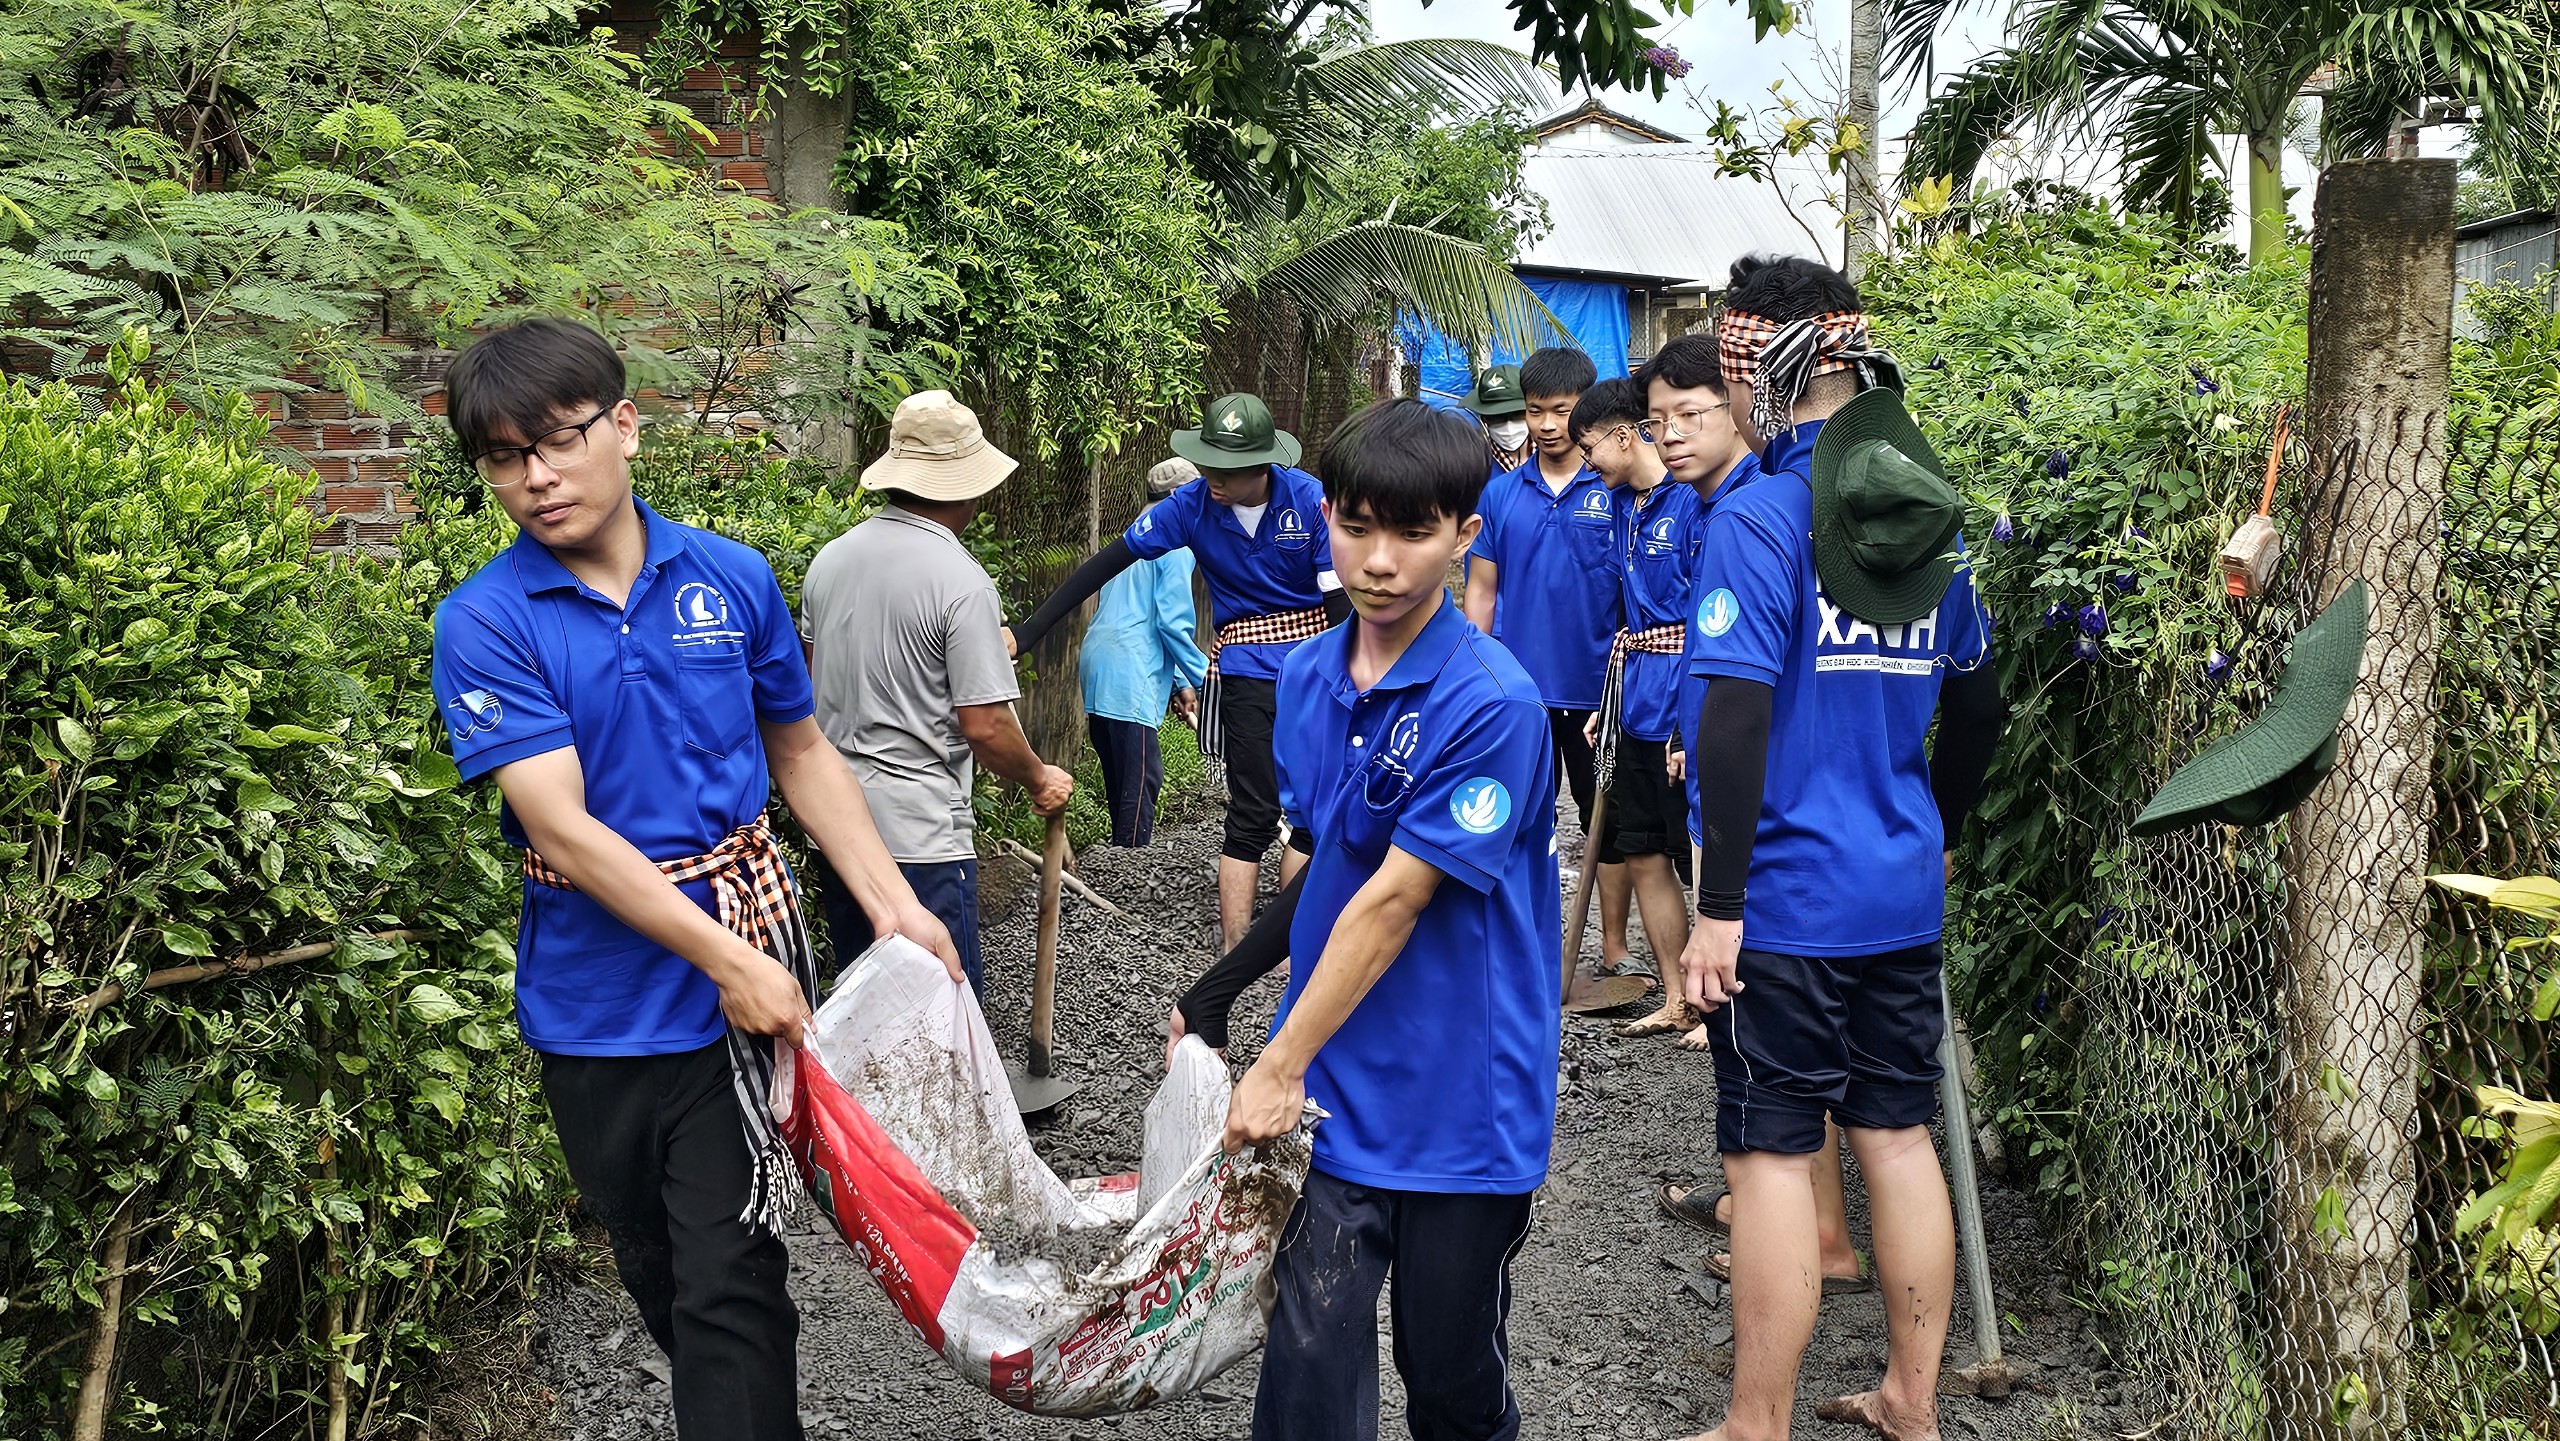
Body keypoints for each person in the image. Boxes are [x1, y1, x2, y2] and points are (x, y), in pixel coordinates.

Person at [428, 318, 963, 1441]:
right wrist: (727, 959)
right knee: (660, 1268)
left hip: (735, 982)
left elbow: (802, 750)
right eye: (501, 459)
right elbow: (562, 831)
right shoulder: (485, 622)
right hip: (594, 1006)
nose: (534, 478)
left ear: (623, 426)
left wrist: (893, 904)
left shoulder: (730, 576)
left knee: (731, 1276)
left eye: (556, 442)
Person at [1170, 396, 1561, 1441]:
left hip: (1462, 1108)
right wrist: (1212, 995)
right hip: (1340, 1095)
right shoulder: (1305, 677)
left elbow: (1395, 899)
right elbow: (1327, 871)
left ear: (1464, 535)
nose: (1378, 559)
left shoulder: (1495, 707)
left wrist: (1277, 1058)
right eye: (1355, 524)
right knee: (1306, 1357)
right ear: (1324, 516)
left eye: (1412, 530)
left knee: (1447, 1378)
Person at [1675, 255, 2006, 1441]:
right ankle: (1911, 1403)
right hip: (1898, 887)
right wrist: (1942, 835)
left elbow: (1733, 712)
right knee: (1895, 1131)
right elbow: (1978, 707)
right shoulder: (1926, 515)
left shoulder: (1760, 518)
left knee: (1768, 1152)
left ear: (1760, 365)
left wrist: (1717, 907)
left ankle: (1752, 1423)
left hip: (1783, 902)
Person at [1639, 329, 1873, 1291]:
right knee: (1869, 1107)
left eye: (1692, 413)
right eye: (1659, 422)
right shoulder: (1742, 502)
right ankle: (1793, 1219)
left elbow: (1748, 698)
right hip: (1856, 837)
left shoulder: (1761, 508)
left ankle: (1808, 1234)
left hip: (1783, 836)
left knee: (1775, 1070)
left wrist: (1719, 906)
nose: (1675, 435)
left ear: (1747, 398)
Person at [1006, 393, 1350, 949]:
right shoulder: (1189, 505)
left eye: (1230, 469)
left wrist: (1356, 681)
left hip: (1316, 667)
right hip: (1245, 670)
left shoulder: (1309, 501)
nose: (1215, 477)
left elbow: (1338, 601)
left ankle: (1297, 947)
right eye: (1210, 462)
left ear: (1263, 464)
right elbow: (1103, 565)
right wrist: (1027, 634)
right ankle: (1238, 947)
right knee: (1254, 812)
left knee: (1314, 812)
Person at [802, 390, 1074, 996]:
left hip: (839, 826)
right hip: (920, 835)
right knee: (939, 1012)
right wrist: (1038, 779)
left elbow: (812, 680)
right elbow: (985, 726)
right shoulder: (962, 581)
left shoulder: (830, 561)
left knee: (862, 1005)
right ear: (966, 487)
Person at [1459, 346, 1638, 977]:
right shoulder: (1501, 493)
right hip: (1520, 690)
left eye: (1561, 411)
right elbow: (1481, 589)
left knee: (1604, 819)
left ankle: (1614, 949)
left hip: (1600, 689)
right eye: (1535, 412)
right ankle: (1522, 946)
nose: (1545, 425)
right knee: (1518, 816)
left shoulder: (1615, 485)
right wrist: (1474, 671)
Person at [1566, 377, 1701, 1040]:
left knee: (1700, 852)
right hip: (1635, 693)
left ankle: (1722, 1002)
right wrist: (1606, 701)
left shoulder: (1692, 502)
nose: (1587, 461)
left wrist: (1691, 719)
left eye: (1590, 446)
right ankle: (1679, 996)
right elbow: (1626, 613)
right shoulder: (1623, 503)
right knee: (1645, 851)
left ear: (1625, 434)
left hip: (1685, 696)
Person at [1078, 457, 1210, 847]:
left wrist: (1180, 685)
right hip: (1130, 669)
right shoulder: (1175, 543)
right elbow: (1171, 623)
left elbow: (1144, 613)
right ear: (1180, 498)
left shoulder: (1132, 535)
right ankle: (1127, 871)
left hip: (1100, 663)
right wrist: (1210, 682)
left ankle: (1113, 865)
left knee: (1120, 781)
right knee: (1142, 781)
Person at [1462, 361, 1531, 472]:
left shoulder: (1555, 453)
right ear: (1483, 418)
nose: (1509, 428)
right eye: (1495, 417)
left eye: (1518, 414)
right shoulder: (1471, 464)